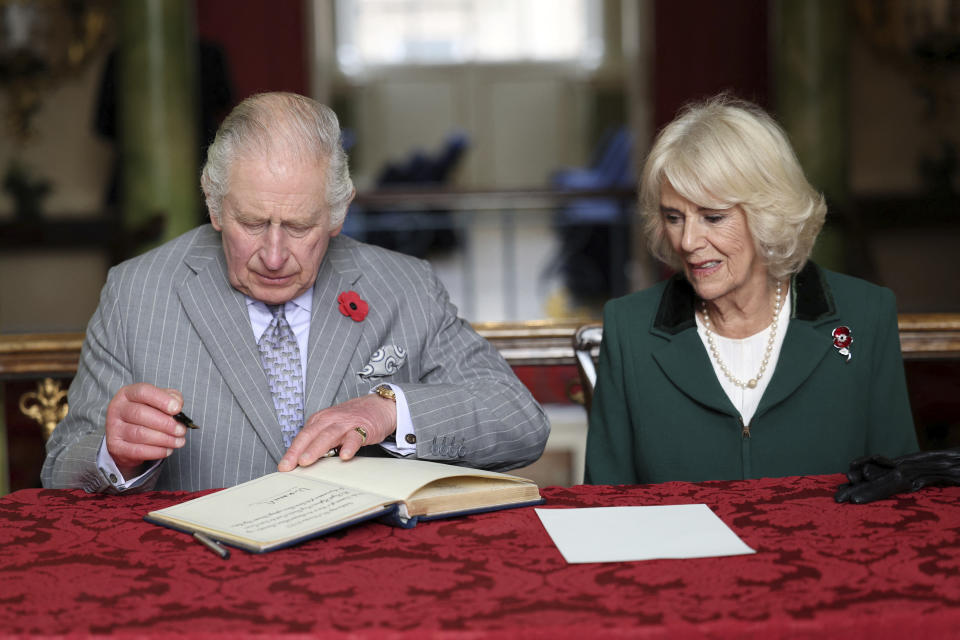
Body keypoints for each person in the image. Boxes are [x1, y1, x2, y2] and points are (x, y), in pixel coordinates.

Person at [42, 92, 549, 493]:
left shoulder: (406, 286)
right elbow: (61, 469)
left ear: (338, 211)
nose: (275, 254)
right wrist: (116, 454)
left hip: (365, 582)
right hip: (202, 581)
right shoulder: (136, 293)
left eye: (301, 225)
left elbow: (520, 422)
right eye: (252, 222)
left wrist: (387, 410)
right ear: (214, 205)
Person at [584, 95, 918, 485]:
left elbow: (898, 491)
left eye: (713, 217)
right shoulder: (630, 328)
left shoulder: (864, 315)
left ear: (767, 215)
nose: (689, 240)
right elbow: (603, 505)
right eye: (674, 218)